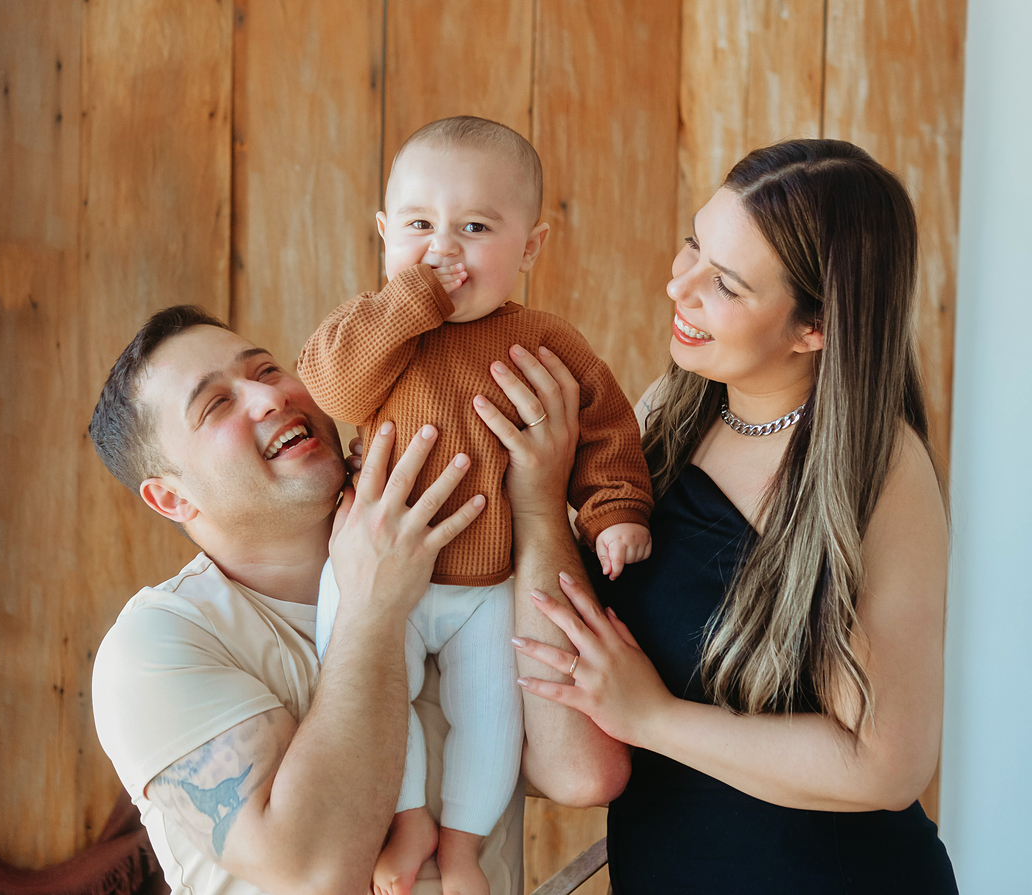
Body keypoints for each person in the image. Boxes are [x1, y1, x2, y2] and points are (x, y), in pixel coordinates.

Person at [511, 139, 959, 892]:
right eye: (694, 244)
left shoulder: (878, 469)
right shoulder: (671, 410)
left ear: (815, 326)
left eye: (724, 283)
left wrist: (653, 718)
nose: (677, 285)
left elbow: (887, 765)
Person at [86, 306, 628, 895]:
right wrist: (373, 608)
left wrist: (538, 511)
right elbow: (316, 871)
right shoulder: (156, 646)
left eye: (266, 370)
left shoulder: (460, 562)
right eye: (216, 405)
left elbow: (584, 772)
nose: (268, 397)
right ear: (171, 499)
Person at [297, 116, 652, 895]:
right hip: (376, 575)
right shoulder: (379, 334)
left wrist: (617, 508)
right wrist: (409, 301)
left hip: (490, 586)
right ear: (384, 234)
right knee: (369, 691)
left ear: (529, 247)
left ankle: (461, 844)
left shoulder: (545, 340)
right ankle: (409, 817)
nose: (443, 249)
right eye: (419, 226)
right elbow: (333, 388)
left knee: (492, 715)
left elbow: (606, 429)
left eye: (475, 228)